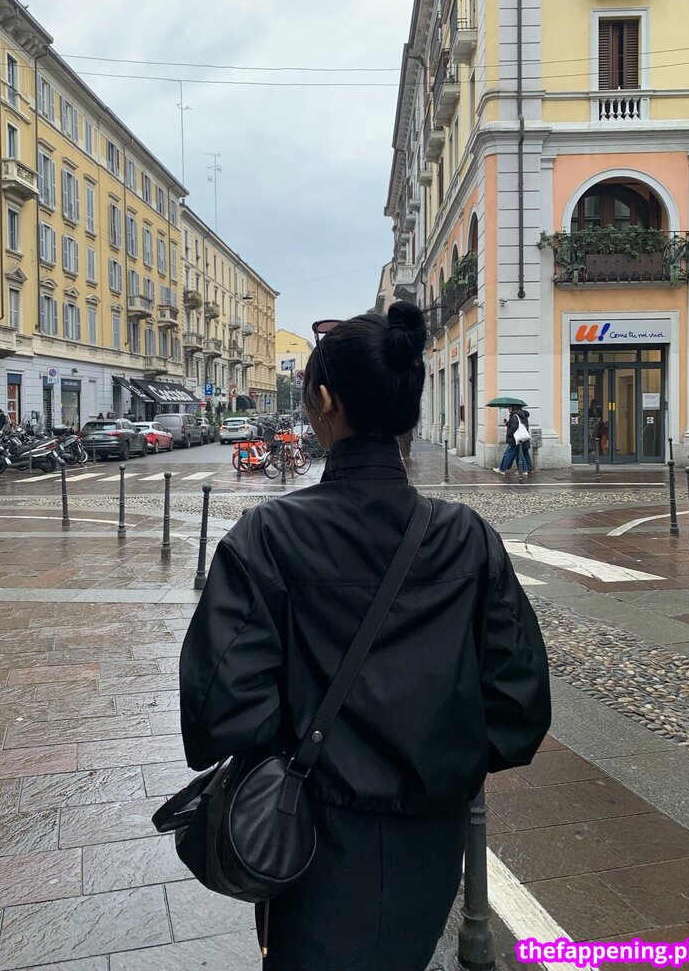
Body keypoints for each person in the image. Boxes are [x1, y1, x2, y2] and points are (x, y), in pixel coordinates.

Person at [179, 302, 551, 971]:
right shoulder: (468, 538)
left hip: (311, 841)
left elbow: (218, 711)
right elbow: (520, 706)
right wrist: (437, 764)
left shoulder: (269, 538)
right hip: (431, 842)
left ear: (325, 402)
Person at [494, 405, 532, 477]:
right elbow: (516, 425)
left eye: (509, 408)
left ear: (513, 408)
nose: (508, 409)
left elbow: (514, 427)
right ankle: (524, 470)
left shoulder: (514, 416)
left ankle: (502, 469)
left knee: (507, 454)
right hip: (519, 438)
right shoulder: (522, 415)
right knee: (519, 454)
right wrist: (507, 423)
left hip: (514, 439)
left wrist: (508, 434)